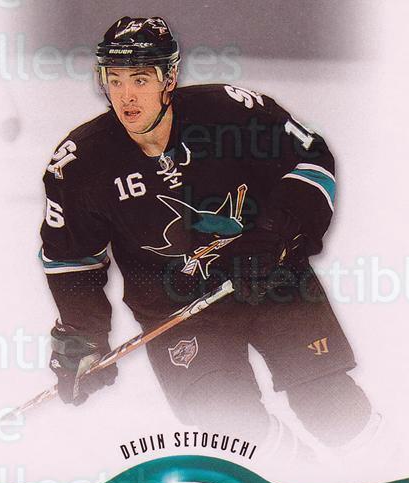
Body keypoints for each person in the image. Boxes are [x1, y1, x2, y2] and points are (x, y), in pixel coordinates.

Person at [40, 16, 378, 452]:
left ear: (169, 78)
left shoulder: (230, 114)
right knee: (230, 431)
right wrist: (83, 336)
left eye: (140, 79)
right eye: (115, 79)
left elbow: (311, 161)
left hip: (273, 280)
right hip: (176, 307)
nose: (126, 96)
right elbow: (71, 258)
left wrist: (273, 236)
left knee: (330, 406)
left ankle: (384, 480)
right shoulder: (80, 164)